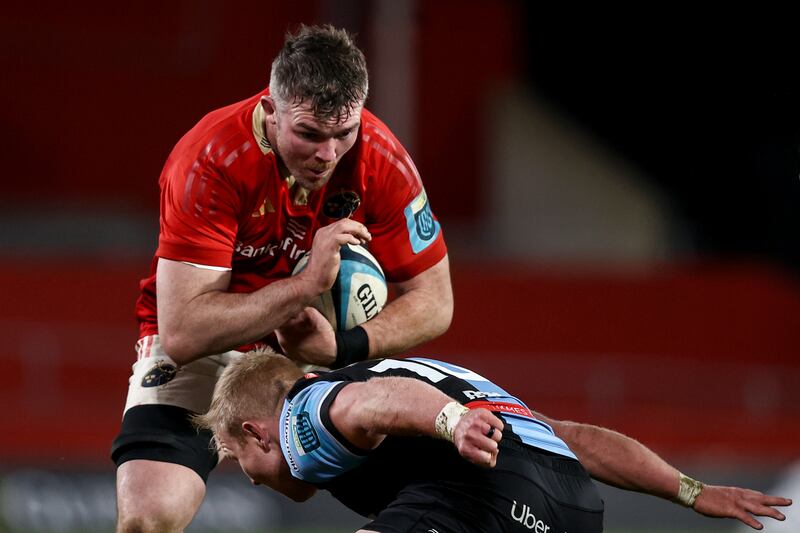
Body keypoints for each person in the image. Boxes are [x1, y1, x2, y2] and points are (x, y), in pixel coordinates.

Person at [111, 25, 453, 532]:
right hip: (210, 339)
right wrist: (305, 283)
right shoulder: (210, 159)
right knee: (148, 519)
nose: (329, 154)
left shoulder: (380, 156)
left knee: (422, 492)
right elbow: (183, 333)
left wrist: (343, 345)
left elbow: (436, 302)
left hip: (309, 350)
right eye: (310, 134)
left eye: (345, 132)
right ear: (270, 109)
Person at [195, 348, 793, 532]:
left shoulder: (304, 413)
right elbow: (573, 440)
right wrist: (689, 490)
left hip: (481, 492)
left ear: (255, 432)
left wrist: (450, 424)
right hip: (574, 507)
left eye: (239, 460)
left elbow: (368, 402)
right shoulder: (440, 377)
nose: (248, 476)